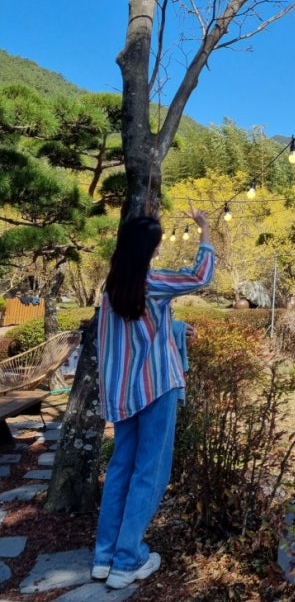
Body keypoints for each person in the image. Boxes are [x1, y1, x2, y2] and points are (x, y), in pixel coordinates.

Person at [91, 209, 214, 590]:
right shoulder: (151, 281)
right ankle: (129, 560)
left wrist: (175, 327)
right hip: (155, 387)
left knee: (121, 470)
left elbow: (132, 328)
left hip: (123, 393)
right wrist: (205, 229)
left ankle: (104, 556)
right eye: (157, 244)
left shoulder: (112, 288)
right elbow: (200, 276)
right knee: (150, 472)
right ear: (148, 248)